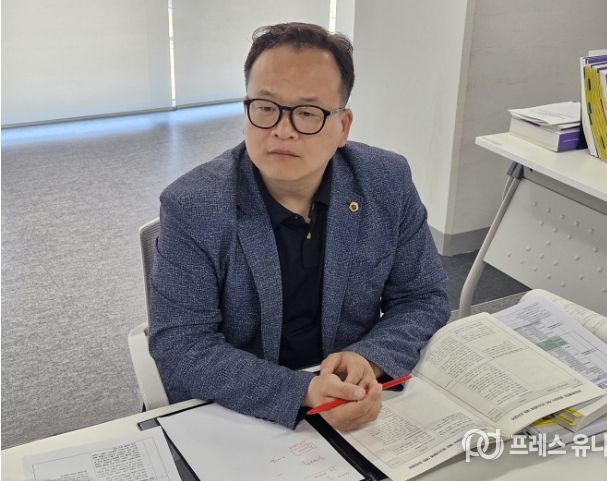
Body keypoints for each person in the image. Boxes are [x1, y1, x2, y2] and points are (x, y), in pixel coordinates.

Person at [148, 22, 450, 432]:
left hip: (357, 398)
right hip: (242, 411)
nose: (282, 130)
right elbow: (182, 344)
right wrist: (302, 391)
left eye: (307, 112)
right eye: (265, 107)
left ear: (343, 127)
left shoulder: (386, 182)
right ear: (246, 113)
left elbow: (422, 296)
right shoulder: (194, 205)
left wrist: (368, 357)